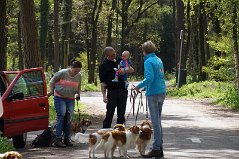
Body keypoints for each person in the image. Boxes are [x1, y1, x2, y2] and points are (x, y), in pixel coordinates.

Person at [134, 41, 166, 158]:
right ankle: (160, 147)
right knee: (158, 121)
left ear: (144, 50)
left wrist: (138, 86)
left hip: (153, 93)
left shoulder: (148, 61)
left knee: (155, 122)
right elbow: (158, 77)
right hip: (161, 91)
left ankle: (156, 148)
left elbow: (149, 78)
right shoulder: (158, 60)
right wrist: (146, 87)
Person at [48, 59, 82, 148]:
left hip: (71, 98)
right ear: (71, 67)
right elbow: (52, 81)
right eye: (75, 71)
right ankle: (58, 139)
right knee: (61, 116)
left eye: (78, 71)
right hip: (59, 97)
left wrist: (78, 94)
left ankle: (67, 138)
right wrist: (51, 91)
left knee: (69, 118)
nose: (76, 73)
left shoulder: (79, 75)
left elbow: (79, 85)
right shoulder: (62, 73)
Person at [99, 47, 134, 128]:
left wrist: (124, 71)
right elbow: (103, 82)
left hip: (122, 90)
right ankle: (105, 133)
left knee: (121, 114)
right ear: (107, 56)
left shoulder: (121, 60)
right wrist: (104, 96)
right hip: (111, 92)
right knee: (109, 114)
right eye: (112, 55)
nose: (114, 56)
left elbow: (132, 70)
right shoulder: (103, 66)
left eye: (115, 54)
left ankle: (120, 135)